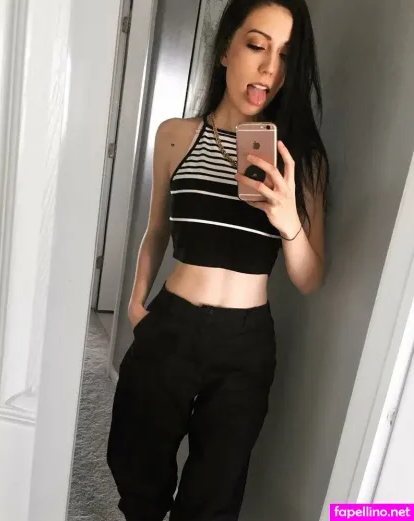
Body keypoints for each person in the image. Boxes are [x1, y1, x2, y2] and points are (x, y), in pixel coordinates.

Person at [107, 0, 329, 519]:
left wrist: (287, 219)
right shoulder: (175, 135)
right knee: (137, 465)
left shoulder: (301, 159)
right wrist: (137, 304)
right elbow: (157, 229)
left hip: (245, 345)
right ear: (226, 49)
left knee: (214, 495)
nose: (269, 67)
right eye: (256, 45)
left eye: (285, 55)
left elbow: (311, 278)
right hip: (171, 323)